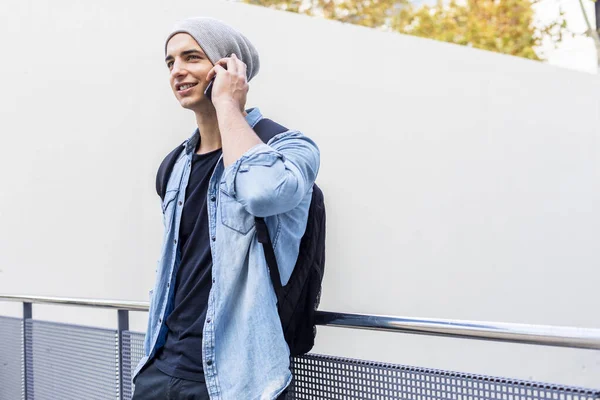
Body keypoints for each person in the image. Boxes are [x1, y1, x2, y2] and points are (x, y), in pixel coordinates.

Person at [131, 17, 320, 400]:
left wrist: (228, 105)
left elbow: (263, 194)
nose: (177, 71)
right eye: (170, 62)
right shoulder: (176, 164)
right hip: (161, 371)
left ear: (227, 68)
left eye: (192, 57)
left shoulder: (289, 148)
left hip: (238, 382)